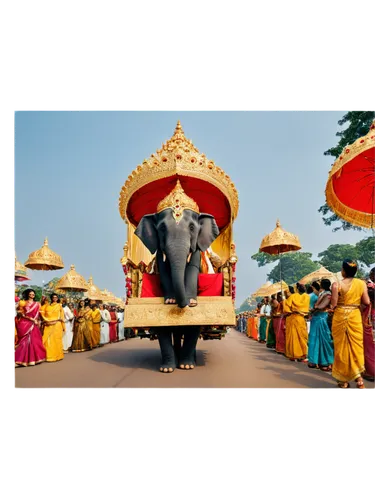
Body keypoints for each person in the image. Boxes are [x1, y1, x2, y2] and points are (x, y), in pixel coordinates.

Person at [330, 259, 370, 391]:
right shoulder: (361, 283)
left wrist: (330, 308)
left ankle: (343, 381)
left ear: (343, 270)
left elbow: (334, 305)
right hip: (354, 316)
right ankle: (359, 380)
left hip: (340, 315)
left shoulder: (336, 285)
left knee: (341, 348)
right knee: (356, 347)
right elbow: (367, 301)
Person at [12, 288, 47, 367]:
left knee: (34, 341)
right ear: (28, 294)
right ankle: (19, 360)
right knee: (23, 342)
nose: (32, 295)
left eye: (33, 294)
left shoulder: (37, 304)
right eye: (30, 294)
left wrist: (43, 321)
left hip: (34, 324)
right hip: (25, 323)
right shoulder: (23, 303)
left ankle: (34, 359)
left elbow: (40, 314)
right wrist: (31, 319)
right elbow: (21, 314)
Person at [307, 279, 334, 371]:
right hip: (316, 318)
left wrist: (313, 308)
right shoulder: (322, 293)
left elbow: (322, 306)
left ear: (322, 285)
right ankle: (314, 360)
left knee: (324, 339)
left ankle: (326, 362)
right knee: (315, 339)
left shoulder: (328, 294)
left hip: (322, 318)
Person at [283, 283, 310, 362]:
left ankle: (293, 354)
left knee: (293, 336)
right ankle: (303, 354)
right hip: (301, 318)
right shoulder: (307, 297)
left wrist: (285, 301)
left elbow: (286, 309)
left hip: (292, 318)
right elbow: (307, 308)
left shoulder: (292, 296)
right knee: (302, 336)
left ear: (296, 289)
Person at [40, 293, 65, 362]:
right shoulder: (47, 306)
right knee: (48, 340)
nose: (55, 298)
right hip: (48, 324)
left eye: (56, 297)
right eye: (53, 297)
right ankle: (49, 356)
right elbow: (42, 313)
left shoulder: (59, 305)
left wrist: (63, 326)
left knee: (57, 340)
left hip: (57, 325)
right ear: (51, 298)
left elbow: (62, 316)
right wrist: (46, 321)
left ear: (58, 298)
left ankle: (58, 355)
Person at [362, 267, 375, 381]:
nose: (370, 276)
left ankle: (371, 372)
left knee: (369, 345)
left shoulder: (371, 289)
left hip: (371, 318)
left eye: (371, 274)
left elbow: (365, 303)